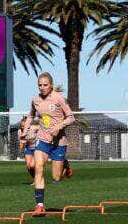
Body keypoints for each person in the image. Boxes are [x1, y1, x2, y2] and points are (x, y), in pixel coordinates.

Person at [22, 72, 75, 215]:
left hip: (59, 142)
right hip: (43, 139)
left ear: (51, 85)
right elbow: (31, 115)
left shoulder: (58, 98)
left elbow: (71, 117)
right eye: (40, 85)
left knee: (56, 177)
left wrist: (59, 126)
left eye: (45, 85)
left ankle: (65, 164)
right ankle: (39, 205)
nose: (42, 87)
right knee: (38, 168)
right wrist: (25, 129)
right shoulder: (35, 99)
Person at [18, 116, 38, 185]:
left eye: (24, 127)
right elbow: (21, 142)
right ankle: (35, 180)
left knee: (32, 165)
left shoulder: (34, 128)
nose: (23, 128)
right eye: (21, 127)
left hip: (37, 148)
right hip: (28, 148)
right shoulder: (20, 131)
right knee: (28, 166)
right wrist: (20, 152)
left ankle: (39, 178)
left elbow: (43, 129)